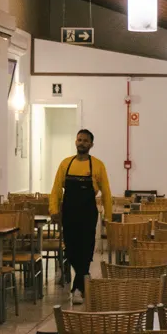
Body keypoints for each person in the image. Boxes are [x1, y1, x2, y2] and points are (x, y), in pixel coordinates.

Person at [48, 128, 113, 304]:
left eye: (85, 140)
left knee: (85, 249)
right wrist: (53, 210)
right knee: (70, 250)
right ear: (75, 142)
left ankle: (78, 289)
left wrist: (108, 217)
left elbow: (106, 192)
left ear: (91, 144)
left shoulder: (98, 165)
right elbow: (56, 189)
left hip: (87, 213)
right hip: (69, 213)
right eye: (79, 140)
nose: (81, 143)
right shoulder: (65, 164)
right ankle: (85, 276)